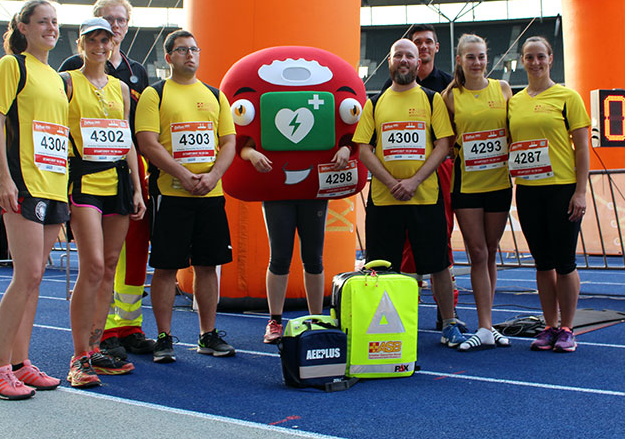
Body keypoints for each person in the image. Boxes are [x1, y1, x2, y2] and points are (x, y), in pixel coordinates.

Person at [59, 0, 154, 359]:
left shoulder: (132, 78)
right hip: (84, 176)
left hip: (123, 175)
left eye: (119, 23)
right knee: (94, 265)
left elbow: (131, 133)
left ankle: (113, 335)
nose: (112, 30)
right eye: (105, 23)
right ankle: (87, 346)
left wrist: (139, 182)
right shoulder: (68, 72)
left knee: (120, 259)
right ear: (85, 38)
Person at [353, 38, 466, 347]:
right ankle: (382, 325)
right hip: (384, 200)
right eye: (398, 55)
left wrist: (415, 181)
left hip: (425, 197)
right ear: (389, 62)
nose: (403, 60)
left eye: (409, 56)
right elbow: (363, 149)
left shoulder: (432, 100)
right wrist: (391, 183)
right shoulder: (374, 103)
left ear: (419, 63)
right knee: (381, 267)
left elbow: (444, 144)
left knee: (438, 264)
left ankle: (450, 323)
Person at [0, 0, 68, 399]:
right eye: (43, 22)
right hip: (23, 182)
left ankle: (21, 363)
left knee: (35, 281)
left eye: (55, 22)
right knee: (27, 275)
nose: (51, 28)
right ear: (24, 27)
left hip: (54, 186)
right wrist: (4, 177)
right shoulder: (11, 66)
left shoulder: (54, 75)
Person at [135, 29, 236, 363]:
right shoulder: (155, 94)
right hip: (171, 194)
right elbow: (147, 142)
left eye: (194, 49)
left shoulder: (215, 95)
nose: (189, 55)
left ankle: (208, 334)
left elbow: (229, 143)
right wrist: (182, 174)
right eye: (181, 50)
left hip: (210, 194)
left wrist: (212, 176)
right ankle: (164, 337)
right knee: (166, 268)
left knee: (208, 267)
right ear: (169, 58)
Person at [507, 36, 590, 353]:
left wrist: (580, 191)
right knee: (542, 263)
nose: (535, 62)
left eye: (540, 56)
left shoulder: (568, 97)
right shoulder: (514, 101)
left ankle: (568, 328)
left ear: (551, 59)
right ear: (523, 61)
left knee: (565, 262)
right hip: (528, 191)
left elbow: (582, 147)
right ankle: (549, 325)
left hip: (562, 189)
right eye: (529, 57)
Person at [382, 25, 459, 329]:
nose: (422, 48)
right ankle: (402, 316)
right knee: (401, 249)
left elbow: (448, 139)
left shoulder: (448, 87)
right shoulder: (385, 94)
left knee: (441, 245)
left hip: (437, 174)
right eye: (416, 43)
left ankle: (447, 314)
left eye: (427, 43)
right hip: (396, 181)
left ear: (435, 48)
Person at [441, 34, 513, 351]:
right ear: (460, 60)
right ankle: (484, 325)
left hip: (499, 183)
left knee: (492, 250)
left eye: (481, 56)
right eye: (470, 57)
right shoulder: (450, 97)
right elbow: (445, 140)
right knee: (478, 252)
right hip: (466, 185)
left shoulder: (504, 89)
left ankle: (488, 323)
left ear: (487, 58)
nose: (477, 62)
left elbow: (516, 131)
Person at [241, 141, 352, 344]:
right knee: (279, 257)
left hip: (312, 189)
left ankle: (316, 319)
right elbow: (244, 143)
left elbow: (347, 136)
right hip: (277, 190)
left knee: (313, 257)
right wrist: (252, 154)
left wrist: (346, 148)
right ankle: (275, 320)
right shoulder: (269, 109)